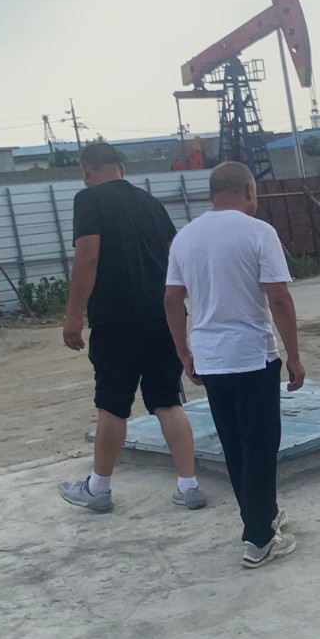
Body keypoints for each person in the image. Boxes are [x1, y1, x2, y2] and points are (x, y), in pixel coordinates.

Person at [163, 162, 305, 568]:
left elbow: (171, 300)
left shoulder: (185, 237)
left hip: (210, 359)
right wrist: (294, 356)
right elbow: (278, 298)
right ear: (248, 190)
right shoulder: (258, 232)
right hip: (251, 356)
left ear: (212, 193)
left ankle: (262, 515)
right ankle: (259, 539)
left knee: (235, 446)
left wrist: (183, 352)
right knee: (260, 446)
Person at [59, 141, 203, 514]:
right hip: (161, 316)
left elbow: (87, 257)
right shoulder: (151, 203)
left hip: (116, 319)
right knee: (167, 400)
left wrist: (74, 315)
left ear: (86, 172)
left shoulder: (89, 200)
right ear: (120, 168)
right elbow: (176, 258)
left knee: (113, 404)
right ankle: (188, 486)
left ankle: (98, 489)